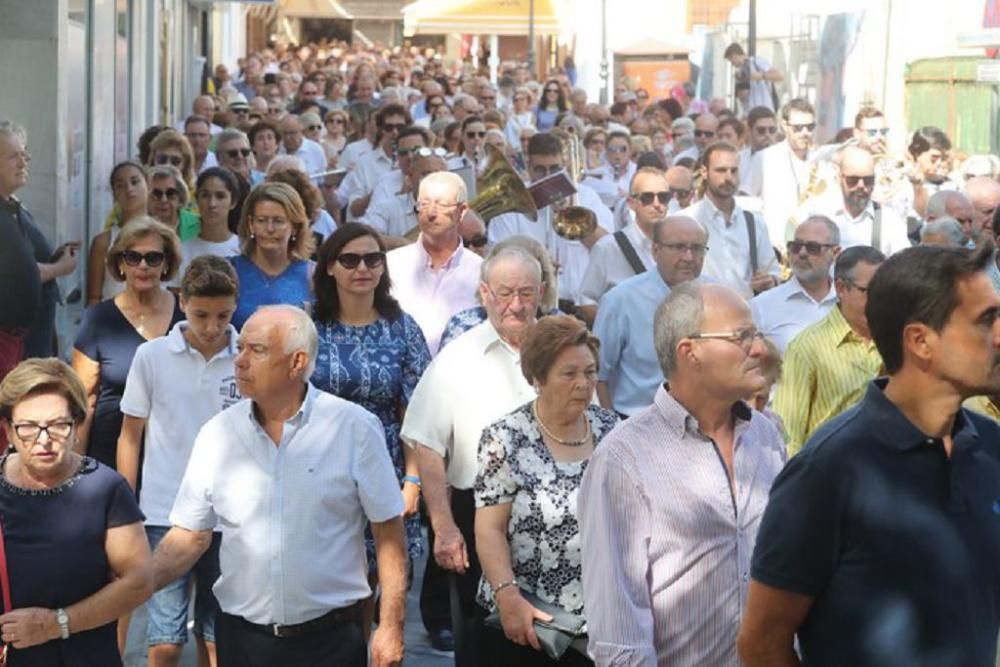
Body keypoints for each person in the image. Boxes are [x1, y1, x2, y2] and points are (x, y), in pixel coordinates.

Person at [739, 245, 1000, 666]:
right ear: (921, 341)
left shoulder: (991, 447)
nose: (999, 334)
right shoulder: (827, 470)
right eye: (985, 319)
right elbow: (762, 642)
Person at [149, 305, 407, 667]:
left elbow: (388, 532)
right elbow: (190, 535)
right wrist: (134, 585)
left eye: (256, 350)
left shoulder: (353, 428)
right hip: (242, 642)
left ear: (297, 362)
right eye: (240, 349)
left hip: (329, 642)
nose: (239, 361)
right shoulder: (217, 434)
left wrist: (391, 626)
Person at [580, 282, 786, 665]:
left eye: (755, 334)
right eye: (742, 336)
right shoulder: (624, 459)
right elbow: (619, 634)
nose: (758, 348)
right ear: (690, 352)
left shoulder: (766, 434)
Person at [402, 246, 544, 666]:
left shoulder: (562, 350)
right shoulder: (456, 358)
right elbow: (426, 443)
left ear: (542, 292)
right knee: (484, 642)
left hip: (556, 520)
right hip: (477, 511)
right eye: (504, 293)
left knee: (555, 639)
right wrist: (444, 526)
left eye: (526, 292)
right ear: (484, 293)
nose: (515, 305)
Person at [117, 256, 240, 667]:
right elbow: (130, 435)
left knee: (216, 636)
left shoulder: (247, 358)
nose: (211, 326)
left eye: (223, 315)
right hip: (163, 514)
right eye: (201, 314)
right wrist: (123, 506)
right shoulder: (152, 356)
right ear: (182, 302)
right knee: (164, 640)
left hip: (230, 516)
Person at [475, 316, 618, 666]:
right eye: (569, 374)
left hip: (601, 621)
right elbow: (490, 528)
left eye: (589, 372)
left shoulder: (613, 430)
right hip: (529, 622)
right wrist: (508, 599)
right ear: (537, 378)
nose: (583, 384)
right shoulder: (505, 438)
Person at [310, 223, 432, 628]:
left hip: (386, 464)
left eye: (372, 258)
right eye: (349, 259)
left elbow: (418, 412)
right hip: (319, 464)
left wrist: (413, 481)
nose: (361, 267)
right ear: (329, 267)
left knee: (384, 579)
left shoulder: (402, 328)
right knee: (338, 586)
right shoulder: (309, 326)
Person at [0, 358, 153, 666]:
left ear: (78, 426)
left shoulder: (105, 489)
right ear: (8, 430)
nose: (44, 440)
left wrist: (55, 624)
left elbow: (139, 581)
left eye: (58, 425)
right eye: (28, 427)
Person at [73, 217, 184, 469]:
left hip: (173, 452)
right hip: (109, 450)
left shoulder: (187, 315)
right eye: (133, 257)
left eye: (153, 258)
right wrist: (75, 467)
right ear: (120, 264)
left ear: (166, 264)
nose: (142, 266)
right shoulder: (98, 319)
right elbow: (84, 400)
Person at [773, 245, 886, 455]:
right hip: (829, 477)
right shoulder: (807, 347)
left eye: (888, 290)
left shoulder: (897, 340)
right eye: (871, 291)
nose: (882, 299)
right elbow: (788, 434)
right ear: (841, 289)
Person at [594, 215, 709, 417]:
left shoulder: (717, 297)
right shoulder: (621, 301)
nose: (689, 257)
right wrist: (610, 428)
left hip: (703, 424)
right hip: (636, 425)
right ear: (656, 251)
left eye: (697, 248)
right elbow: (598, 375)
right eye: (679, 247)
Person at [488, 132, 613, 308]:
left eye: (554, 169)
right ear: (528, 166)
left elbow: (606, 247)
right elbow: (498, 258)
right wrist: (536, 264)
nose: (548, 177)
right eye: (540, 170)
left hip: (583, 307)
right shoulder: (510, 206)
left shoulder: (586, 196)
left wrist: (573, 214)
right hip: (532, 306)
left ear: (564, 165)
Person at [0, 121, 78, 384]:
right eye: (13, 156)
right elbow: (23, 272)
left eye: (24, 154)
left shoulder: (13, 207)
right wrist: (60, 268)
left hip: (31, 337)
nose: (23, 162)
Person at [385, 171, 483, 355]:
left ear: (462, 211)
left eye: (441, 204)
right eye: (424, 204)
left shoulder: (483, 273)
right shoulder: (390, 265)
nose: (431, 213)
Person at [681, 142, 780, 298]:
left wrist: (769, 281)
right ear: (704, 172)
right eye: (721, 170)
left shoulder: (754, 223)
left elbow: (773, 272)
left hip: (745, 315)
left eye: (734, 171)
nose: (728, 177)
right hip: (699, 315)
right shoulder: (685, 220)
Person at [577, 167, 666, 325]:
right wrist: (618, 330)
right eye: (647, 198)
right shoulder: (608, 247)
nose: (657, 204)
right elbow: (586, 302)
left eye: (664, 197)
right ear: (631, 203)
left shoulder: (678, 246)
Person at [743, 98, 836, 245]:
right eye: (798, 128)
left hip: (812, 248)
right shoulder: (765, 158)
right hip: (774, 246)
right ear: (785, 126)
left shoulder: (823, 161)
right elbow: (746, 200)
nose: (805, 133)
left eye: (810, 127)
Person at [230, 182, 314, 330]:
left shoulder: (312, 274)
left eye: (278, 221)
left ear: (294, 227)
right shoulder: (230, 271)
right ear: (251, 224)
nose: (269, 229)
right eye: (261, 221)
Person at [796, 145, 910, 255]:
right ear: (839, 177)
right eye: (853, 180)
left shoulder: (889, 220)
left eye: (868, 180)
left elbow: (903, 266)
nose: (861, 186)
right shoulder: (815, 211)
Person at [750, 216, 841, 353]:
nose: (802, 253)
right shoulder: (761, 306)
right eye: (796, 246)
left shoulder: (850, 302)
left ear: (835, 253)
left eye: (813, 247)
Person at [87, 161, 150, 305]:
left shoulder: (165, 237)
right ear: (114, 194)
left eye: (135, 182)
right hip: (113, 322)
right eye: (120, 185)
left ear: (148, 185)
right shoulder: (103, 242)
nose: (129, 189)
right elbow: (94, 298)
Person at [342, 104, 411, 222]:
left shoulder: (415, 161)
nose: (395, 132)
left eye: (400, 127)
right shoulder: (364, 162)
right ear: (380, 129)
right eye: (389, 127)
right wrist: (378, 192)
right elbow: (354, 210)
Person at [178, 167, 242, 279]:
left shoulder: (243, 249)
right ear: (197, 200)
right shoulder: (183, 251)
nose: (212, 204)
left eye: (220, 196)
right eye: (205, 196)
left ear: (233, 202)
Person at [147, 164, 200, 242]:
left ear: (180, 196)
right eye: (156, 194)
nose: (163, 200)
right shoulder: (138, 228)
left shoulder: (199, 224)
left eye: (170, 193)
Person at [724, 43, 783, 111]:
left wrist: (761, 76)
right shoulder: (740, 72)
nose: (732, 64)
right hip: (750, 111)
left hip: (764, 108)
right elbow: (743, 97)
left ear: (734, 55)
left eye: (731, 60)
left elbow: (780, 76)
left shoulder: (756, 62)